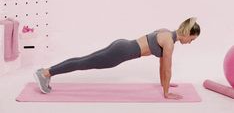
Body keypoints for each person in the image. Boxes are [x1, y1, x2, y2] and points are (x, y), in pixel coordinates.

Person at [34, 17, 200, 100]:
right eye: (192, 40)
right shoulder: (169, 43)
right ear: (187, 34)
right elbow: (166, 68)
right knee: (83, 63)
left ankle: (47, 72)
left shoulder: (165, 32)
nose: (190, 43)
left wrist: (166, 84)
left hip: (122, 45)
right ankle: (46, 73)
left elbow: (162, 65)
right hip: (120, 53)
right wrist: (166, 93)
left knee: (83, 60)